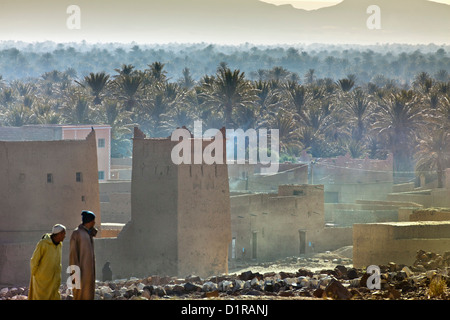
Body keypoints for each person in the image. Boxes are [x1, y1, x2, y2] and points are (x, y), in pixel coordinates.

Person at [29, 224, 66, 300]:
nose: (64, 236)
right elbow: (34, 260)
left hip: (54, 280)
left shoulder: (59, 245)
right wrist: (38, 275)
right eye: (63, 234)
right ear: (58, 234)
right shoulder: (43, 244)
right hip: (42, 282)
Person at [69, 210, 98, 300]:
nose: (95, 223)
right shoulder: (77, 234)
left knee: (88, 294)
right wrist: (74, 274)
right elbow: (73, 255)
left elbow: (94, 232)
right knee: (80, 294)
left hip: (89, 272)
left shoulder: (88, 233)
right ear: (90, 221)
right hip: (80, 272)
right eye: (93, 221)